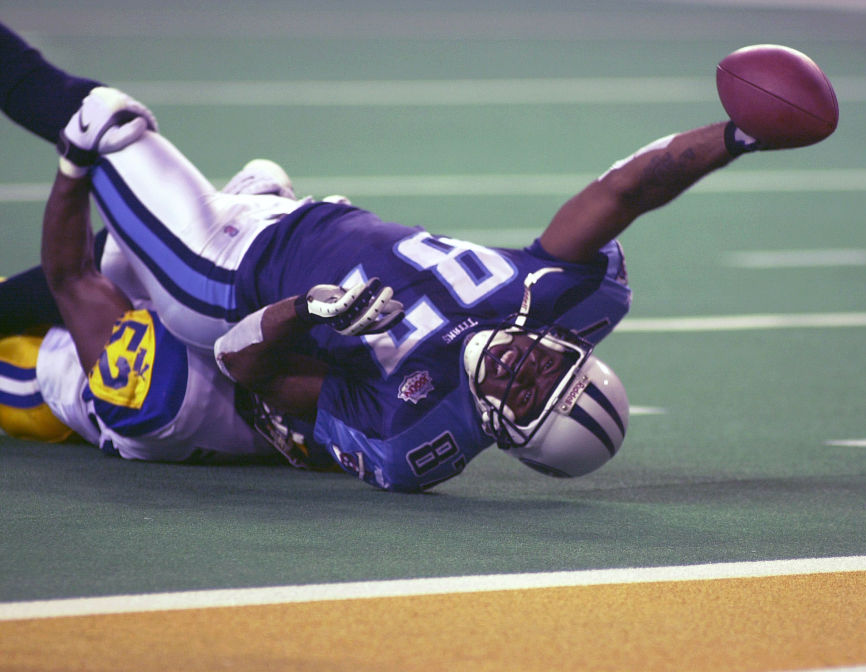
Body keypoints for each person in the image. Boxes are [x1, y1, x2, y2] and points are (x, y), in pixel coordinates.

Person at [0, 23, 794, 492]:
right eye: (551, 367)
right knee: (114, 256)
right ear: (570, 348)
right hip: (293, 219)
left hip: (221, 276)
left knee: (102, 122)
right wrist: (736, 137)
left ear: (508, 434)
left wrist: (302, 310)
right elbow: (626, 191)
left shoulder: (413, 430)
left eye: (526, 396)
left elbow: (245, 367)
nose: (524, 367)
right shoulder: (562, 297)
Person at [0, 148, 285, 463]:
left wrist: (73, 166)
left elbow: (72, 277)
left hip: (51, 368)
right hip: (152, 334)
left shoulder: (165, 389)